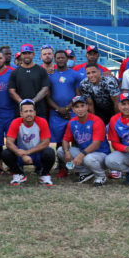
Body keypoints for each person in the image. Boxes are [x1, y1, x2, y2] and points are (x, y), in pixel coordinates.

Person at [1, 99, 55, 187]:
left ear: (35, 112)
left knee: (50, 152)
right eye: (26, 111)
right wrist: (22, 154)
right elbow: (9, 142)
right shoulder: (15, 122)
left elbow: (46, 142)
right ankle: (18, 174)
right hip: (21, 154)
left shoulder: (42, 121)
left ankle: (45, 175)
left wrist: (28, 153)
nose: (29, 113)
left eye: (31, 111)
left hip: (37, 154)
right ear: (21, 113)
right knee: (5, 153)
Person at [47, 48, 83, 178]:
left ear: (67, 59)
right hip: (56, 113)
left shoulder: (75, 75)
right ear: (55, 60)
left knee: (76, 140)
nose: (61, 60)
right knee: (59, 141)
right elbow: (48, 96)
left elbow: (78, 95)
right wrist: (59, 109)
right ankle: (62, 168)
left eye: (63, 57)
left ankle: (78, 167)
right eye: (58, 58)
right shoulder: (50, 75)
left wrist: (68, 108)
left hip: (72, 112)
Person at [59, 96, 111, 187]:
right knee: (61, 151)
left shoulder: (96, 121)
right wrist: (67, 152)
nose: (80, 109)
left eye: (82, 105)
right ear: (73, 109)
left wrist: (81, 155)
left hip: (101, 155)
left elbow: (96, 144)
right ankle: (85, 172)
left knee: (88, 158)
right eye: (77, 107)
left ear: (87, 107)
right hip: (85, 153)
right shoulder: (72, 122)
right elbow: (65, 140)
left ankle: (101, 176)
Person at [8, 43, 50, 118]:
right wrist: (23, 103)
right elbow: (11, 91)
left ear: (33, 54)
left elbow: (45, 89)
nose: (27, 55)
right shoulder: (15, 72)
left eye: (29, 53)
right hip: (21, 112)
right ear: (21, 55)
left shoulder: (41, 70)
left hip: (39, 111)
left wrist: (33, 101)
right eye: (24, 53)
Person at [0, 49, 15, 172]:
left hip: (10, 112)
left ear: (4, 58)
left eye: (0, 58)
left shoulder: (12, 72)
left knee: (12, 141)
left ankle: (12, 165)